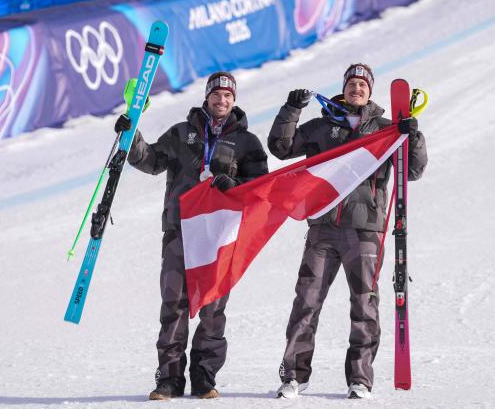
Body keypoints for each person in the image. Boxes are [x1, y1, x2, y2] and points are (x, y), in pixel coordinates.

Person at [267, 64, 428, 399]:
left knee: (364, 306)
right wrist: (291, 110)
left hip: (366, 230)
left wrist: (412, 134)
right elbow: (281, 148)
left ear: (370, 91)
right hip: (323, 229)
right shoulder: (323, 127)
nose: (357, 89)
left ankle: (360, 379)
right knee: (306, 304)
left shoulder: (386, 129)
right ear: (344, 88)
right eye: (352, 83)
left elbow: (412, 170)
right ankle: (294, 377)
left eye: (362, 84)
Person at [116, 72, 269, 400]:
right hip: (179, 231)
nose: (222, 100)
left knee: (213, 307)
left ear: (234, 100)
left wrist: (234, 185)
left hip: (219, 237)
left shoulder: (247, 143)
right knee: (174, 304)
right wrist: (131, 134)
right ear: (207, 96)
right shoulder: (181, 133)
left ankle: (204, 376)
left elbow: (261, 189)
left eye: (228, 95)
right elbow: (152, 160)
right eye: (217, 94)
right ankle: (168, 379)